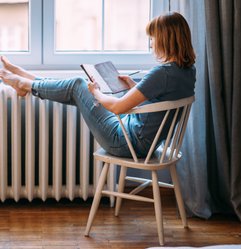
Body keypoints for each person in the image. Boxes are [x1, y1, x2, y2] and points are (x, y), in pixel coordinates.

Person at [0, 12, 196, 158]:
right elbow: (159, 102)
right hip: (145, 141)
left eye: (153, 38)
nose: (151, 44)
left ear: (165, 39)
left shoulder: (162, 73)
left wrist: (96, 92)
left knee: (78, 85)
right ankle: (27, 80)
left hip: (127, 143)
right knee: (74, 90)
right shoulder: (186, 71)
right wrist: (131, 86)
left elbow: (118, 108)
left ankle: (23, 82)